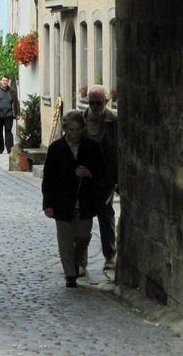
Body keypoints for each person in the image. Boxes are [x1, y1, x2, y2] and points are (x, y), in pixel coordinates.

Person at [42, 110, 106, 287]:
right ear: (65, 129)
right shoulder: (56, 148)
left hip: (85, 201)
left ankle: (77, 261)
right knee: (65, 240)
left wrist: (89, 173)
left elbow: (102, 172)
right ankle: (70, 274)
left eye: (78, 129)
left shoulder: (91, 147)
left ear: (82, 129)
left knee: (83, 236)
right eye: (71, 129)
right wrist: (47, 203)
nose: (74, 133)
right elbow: (48, 177)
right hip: (62, 202)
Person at [82, 84, 118, 271]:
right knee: (82, 217)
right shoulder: (80, 120)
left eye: (99, 103)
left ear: (106, 101)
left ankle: (110, 254)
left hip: (105, 178)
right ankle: (81, 258)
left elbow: (118, 152)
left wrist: (117, 179)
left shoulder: (113, 121)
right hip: (84, 178)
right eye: (92, 102)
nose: (95, 106)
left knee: (105, 214)